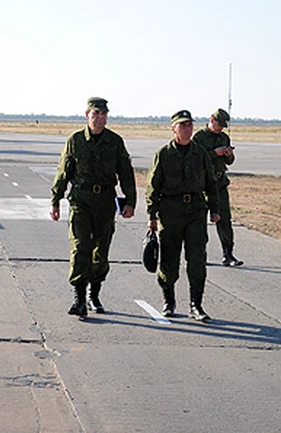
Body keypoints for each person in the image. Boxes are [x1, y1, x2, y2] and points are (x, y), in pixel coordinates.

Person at [50, 97, 136, 318]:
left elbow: (125, 173)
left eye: (104, 114)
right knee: (80, 246)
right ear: (87, 114)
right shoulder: (75, 140)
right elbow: (64, 171)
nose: (100, 118)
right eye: (96, 113)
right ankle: (79, 298)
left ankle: (94, 294)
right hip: (80, 200)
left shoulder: (115, 142)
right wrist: (55, 200)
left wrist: (130, 201)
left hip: (105, 201)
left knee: (101, 249)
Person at [145, 110, 221, 321]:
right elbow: (153, 187)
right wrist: (151, 215)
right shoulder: (163, 154)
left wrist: (214, 209)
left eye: (190, 125)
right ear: (173, 128)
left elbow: (210, 184)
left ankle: (196, 305)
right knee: (169, 258)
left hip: (196, 210)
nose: (188, 128)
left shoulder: (201, 153)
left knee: (197, 257)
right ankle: (169, 301)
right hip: (170, 211)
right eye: (183, 125)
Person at [193, 108, 242, 266]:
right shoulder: (199, 137)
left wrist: (228, 154)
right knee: (199, 222)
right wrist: (215, 153)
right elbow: (195, 159)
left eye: (223, 126)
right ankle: (200, 254)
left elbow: (229, 162)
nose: (221, 128)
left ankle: (228, 254)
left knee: (224, 220)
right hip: (202, 186)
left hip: (219, 185)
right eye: (219, 124)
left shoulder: (224, 138)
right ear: (212, 120)